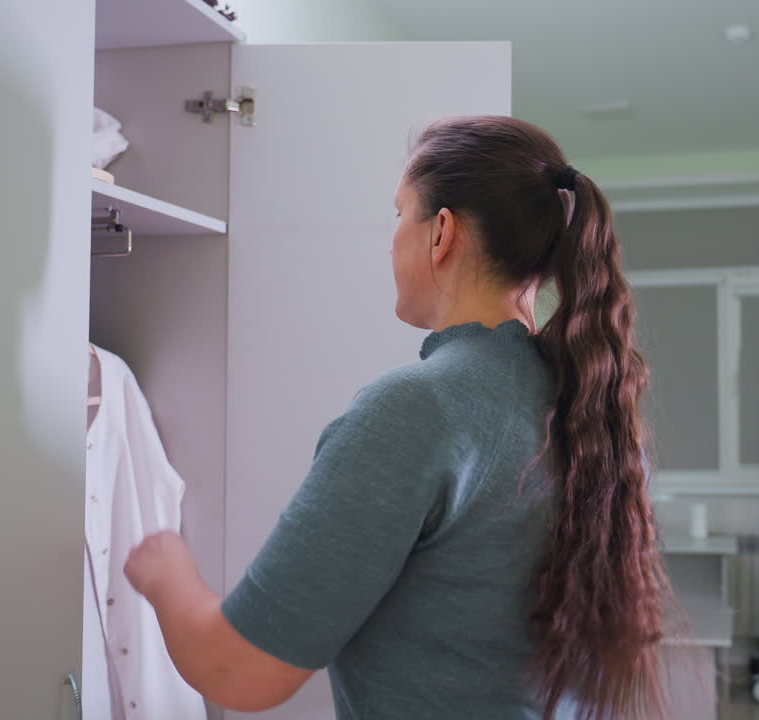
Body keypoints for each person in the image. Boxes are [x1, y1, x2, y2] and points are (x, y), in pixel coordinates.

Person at [123, 115, 688, 719]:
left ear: (441, 232)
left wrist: (164, 568)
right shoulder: (593, 411)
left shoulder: (416, 410)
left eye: (399, 214)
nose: (392, 237)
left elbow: (238, 672)